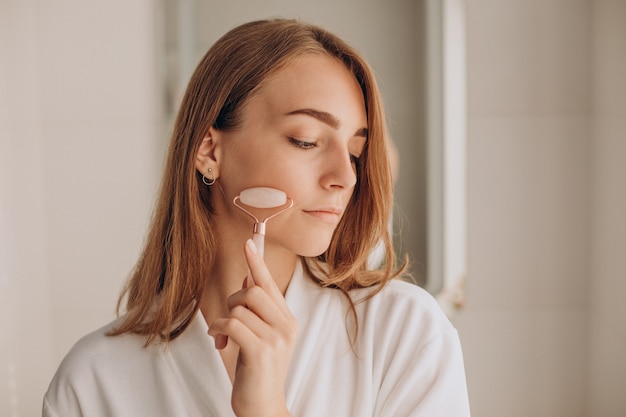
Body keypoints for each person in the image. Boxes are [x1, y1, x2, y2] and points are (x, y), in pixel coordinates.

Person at [43, 18, 471, 417]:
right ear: (210, 151)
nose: (345, 176)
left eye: (355, 152)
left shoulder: (406, 334)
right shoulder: (92, 381)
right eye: (306, 141)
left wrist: (266, 408)